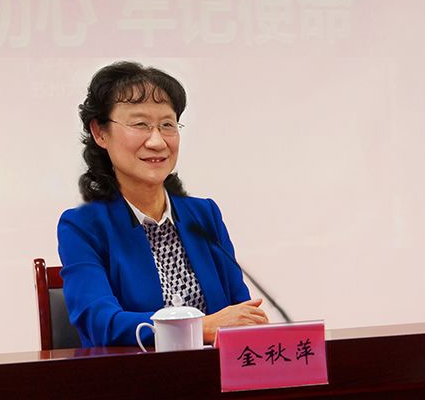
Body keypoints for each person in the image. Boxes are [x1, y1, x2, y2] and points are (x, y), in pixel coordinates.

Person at [57, 61, 268, 347]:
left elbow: (240, 315)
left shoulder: (204, 215)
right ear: (100, 133)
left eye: (167, 125)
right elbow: (101, 324)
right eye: (140, 125)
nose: (157, 141)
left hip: (214, 374)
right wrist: (198, 327)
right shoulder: (83, 226)